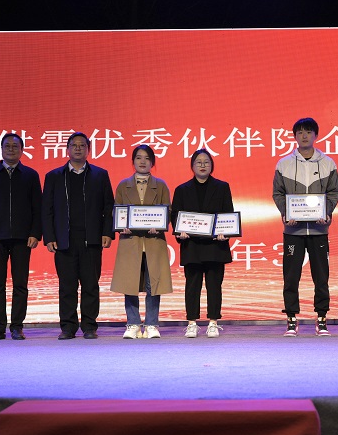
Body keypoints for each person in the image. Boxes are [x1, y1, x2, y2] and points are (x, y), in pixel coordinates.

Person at [42, 132, 114, 340]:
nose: (78, 148)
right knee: (67, 286)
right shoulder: (54, 176)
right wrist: (49, 236)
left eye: (82, 145)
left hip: (91, 239)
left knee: (91, 285)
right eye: (74, 145)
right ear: (67, 149)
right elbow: (46, 209)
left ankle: (90, 326)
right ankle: (68, 327)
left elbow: (108, 206)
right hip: (64, 240)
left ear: (88, 150)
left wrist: (107, 232)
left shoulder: (99, 175)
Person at [272, 117, 338, 337]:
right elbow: (278, 193)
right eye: (300, 132)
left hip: (319, 231)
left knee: (321, 276)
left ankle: (321, 319)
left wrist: (326, 212)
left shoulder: (328, 163)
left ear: (316, 135)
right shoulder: (284, 164)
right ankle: (291, 319)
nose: (304, 136)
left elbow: (334, 192)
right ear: (294, 136)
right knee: (291, 276)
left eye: (309, 132)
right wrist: (286, 213)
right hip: (293, 231)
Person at [0, 133, 42, 341]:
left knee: (20, 284)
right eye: (7, 146)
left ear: (22, 150)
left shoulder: (30, 175)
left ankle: (17, 327)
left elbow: (38, 208)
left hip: (23, 238)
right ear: (1, 149)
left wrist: (35, 233)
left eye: (15, 146)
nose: (11, 149)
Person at [110, 144, 173, 339]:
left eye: (147, 158)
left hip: (154, 241)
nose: (143, 161)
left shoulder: (160, 185)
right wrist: (121, 226)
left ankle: (152, 324)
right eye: (138, 157)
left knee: (153, 283)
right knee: (129, 283)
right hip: (131, 241)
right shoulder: (123, 185)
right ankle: (133, 323)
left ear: (152, 162)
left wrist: (160, 225)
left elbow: (168, 211)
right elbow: (117, 210)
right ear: (133, 161)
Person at [171, 149, 234, 338]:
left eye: (206, 162)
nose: (203, 165)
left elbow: (228, 214)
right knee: (192, 285)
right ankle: (192, 323)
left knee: (214, 286)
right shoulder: (182, 190)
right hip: (192, 245)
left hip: (215, 246)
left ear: (212, 165)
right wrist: (179, 231)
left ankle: (213, 322)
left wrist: (226, 232)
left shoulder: (222, 187)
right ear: (192, 166)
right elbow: (176, 216)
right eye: (198, 162)